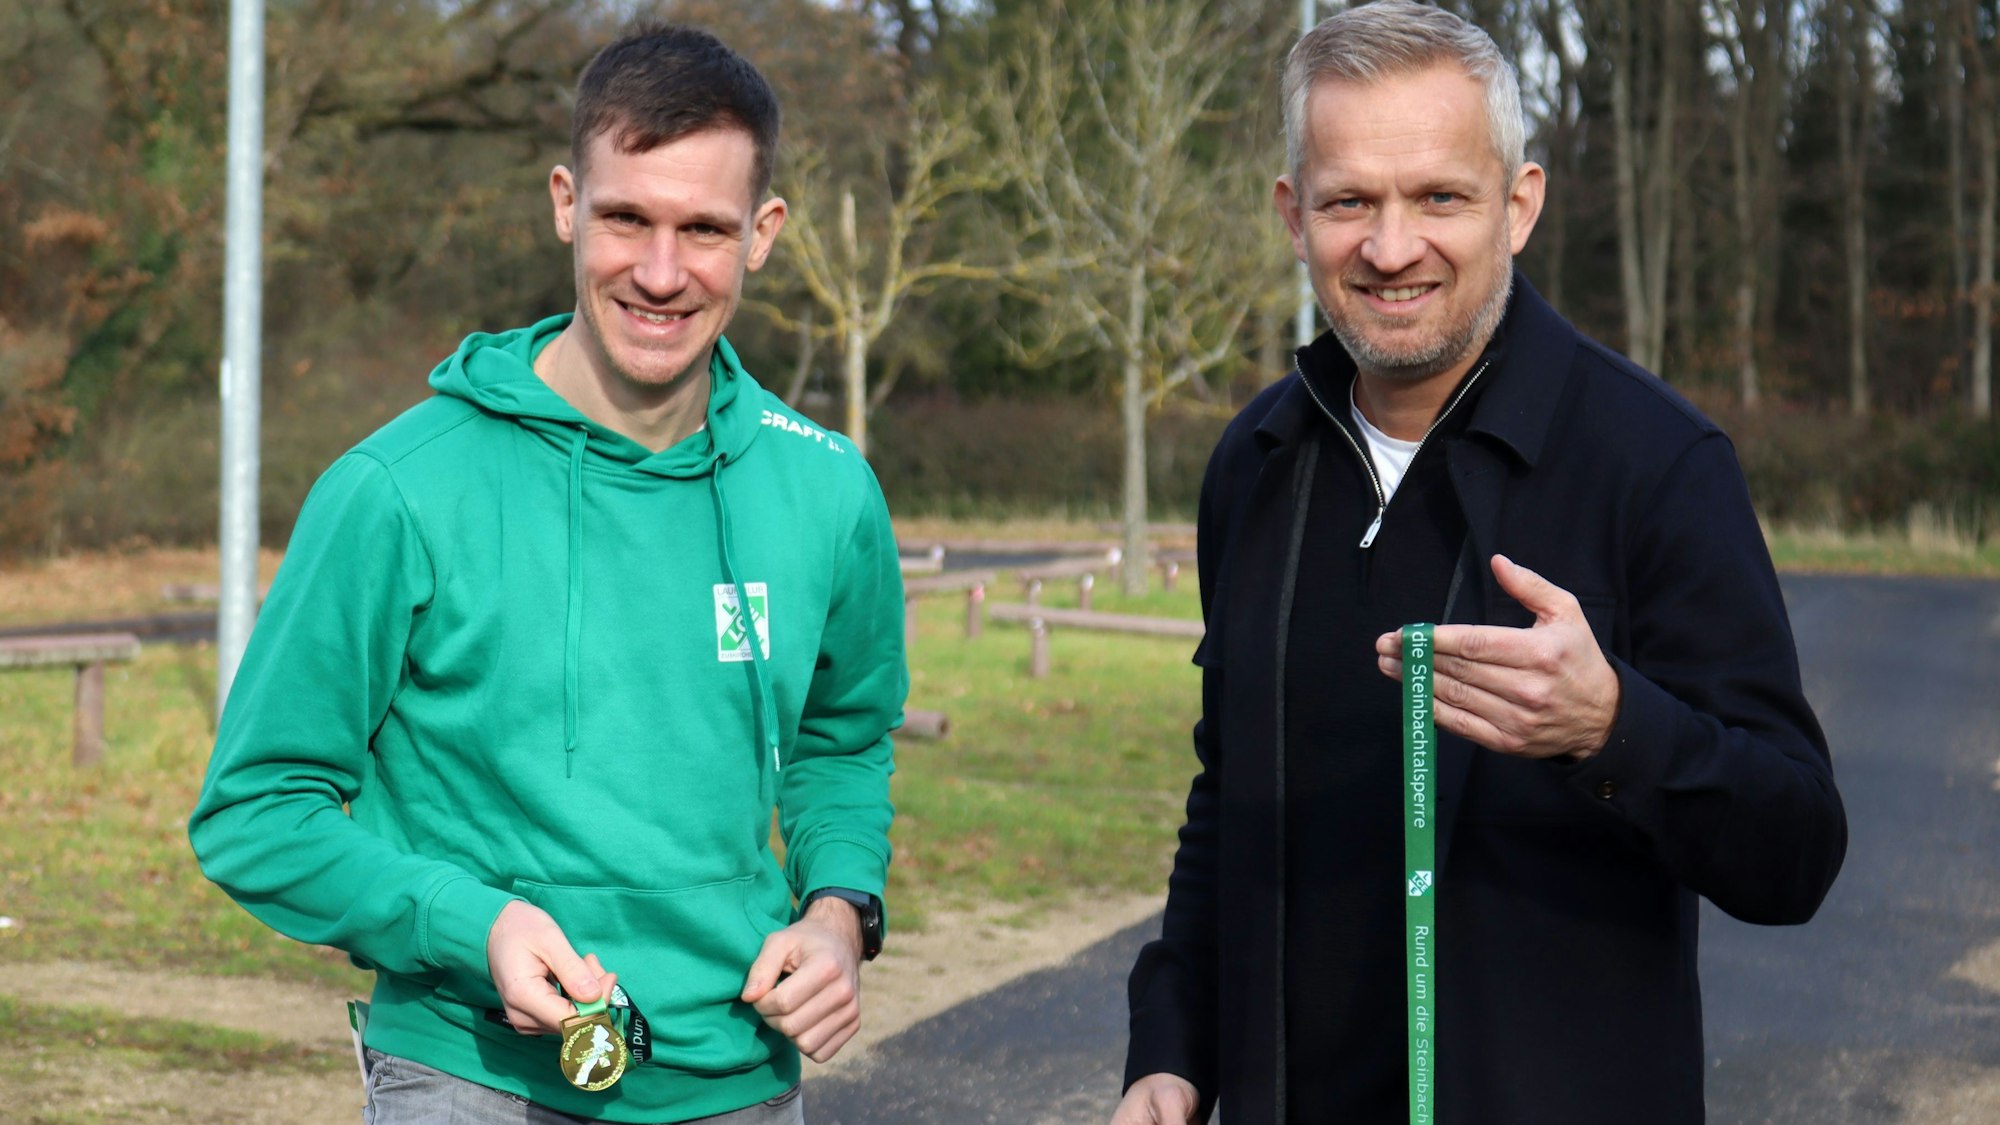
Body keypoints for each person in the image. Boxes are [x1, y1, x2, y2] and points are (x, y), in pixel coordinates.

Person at [1113, 4, 1846, 1123]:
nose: (1390, 246)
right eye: (1347, 199)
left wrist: (1610, 728)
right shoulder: (1254, 464)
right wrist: (1172, 1051)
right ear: (1289, 214)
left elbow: (1792, 853)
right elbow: (1229, 797)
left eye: (1438, 197)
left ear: (1517, 205)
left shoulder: (1655, 463)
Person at [189, 24, 905, 1125]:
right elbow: (255, 810)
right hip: (469, 1071)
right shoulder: (394, 490)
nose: (660, 274)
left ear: (761, 234)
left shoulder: (828, 491)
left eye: (702, 230)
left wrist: (840, 909)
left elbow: (838, 739)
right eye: (627, 218)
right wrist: (466, 924)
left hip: (741, 1082)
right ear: (566, 203)